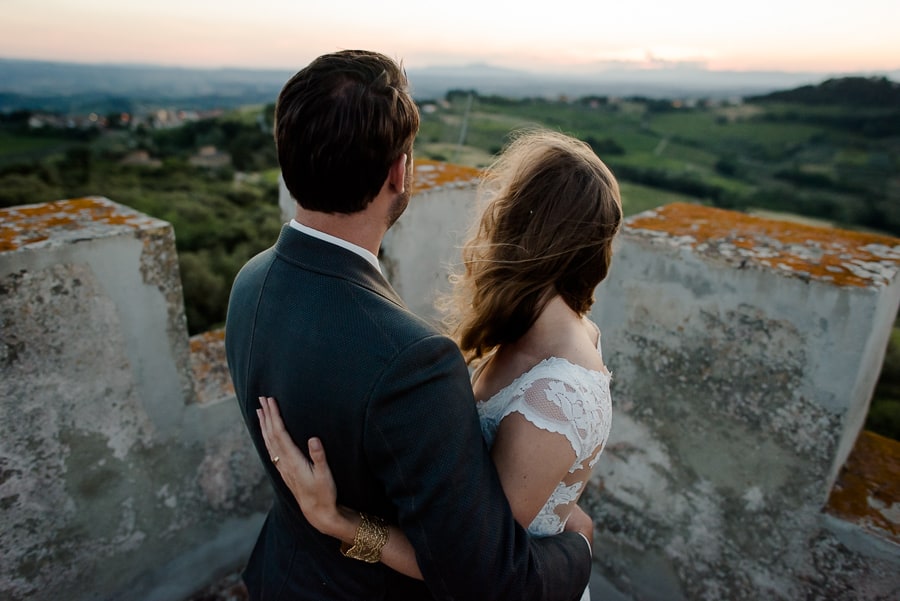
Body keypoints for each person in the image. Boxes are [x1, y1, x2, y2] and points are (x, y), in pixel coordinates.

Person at [225, 50, 595, 601]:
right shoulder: (414, 361)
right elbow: (489, 582)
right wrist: (578, 549)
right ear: (399, 172)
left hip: (283, 574)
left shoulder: (250, 282)